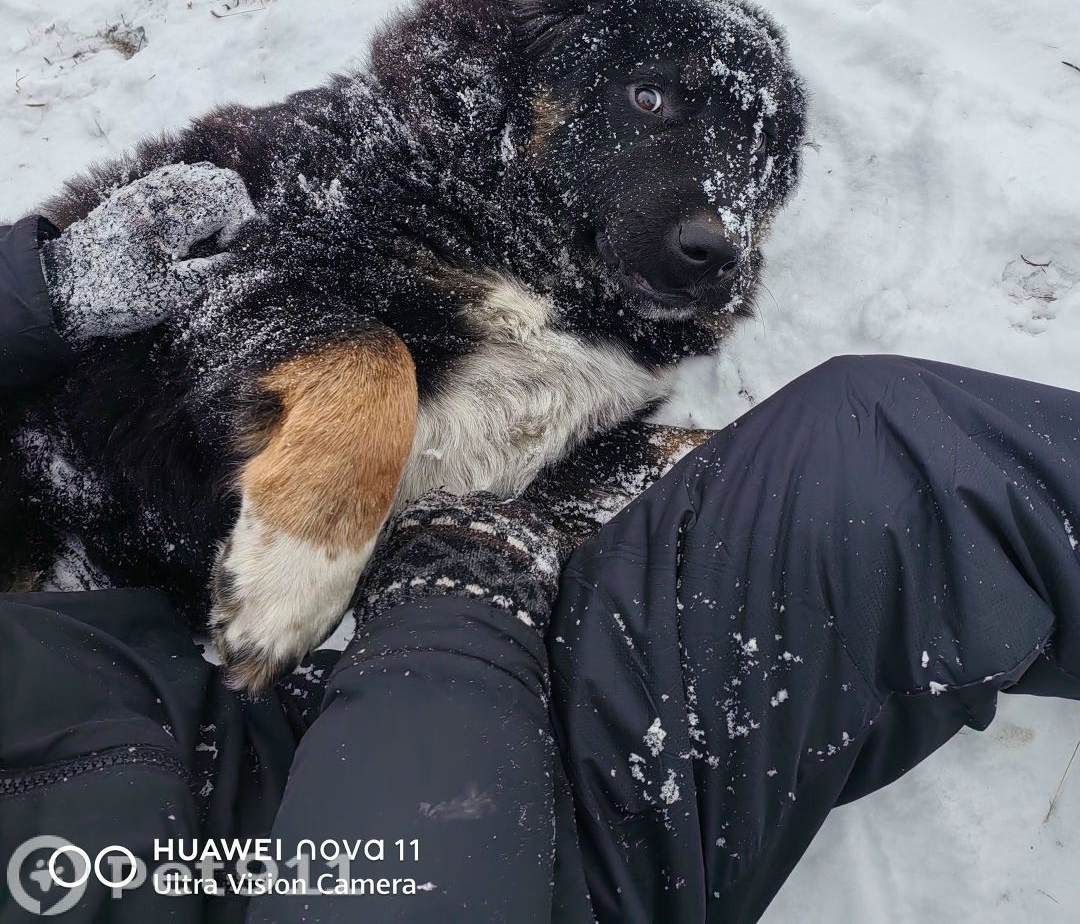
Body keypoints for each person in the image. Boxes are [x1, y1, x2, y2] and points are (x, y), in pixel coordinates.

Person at [2, 168, 1080, 922]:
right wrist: (452, 617)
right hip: (460, 841)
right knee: (896, 464)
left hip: (136, 652)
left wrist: (41, 299)